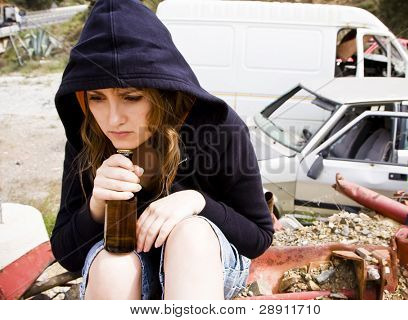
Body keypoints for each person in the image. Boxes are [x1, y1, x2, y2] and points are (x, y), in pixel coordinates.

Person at [50, 0, 273, 300]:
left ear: (162, 91)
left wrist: (197, 202)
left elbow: (258, 237)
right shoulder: (86, 134)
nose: (112, 119)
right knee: (113, 268)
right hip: (123, 269)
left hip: (204, 262)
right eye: (96, 98)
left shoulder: (219, 127)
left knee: (190, 237)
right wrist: (96, 207)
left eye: (131, 97)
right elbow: (67, 254)